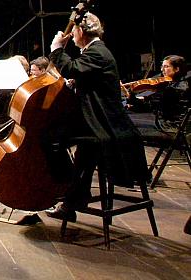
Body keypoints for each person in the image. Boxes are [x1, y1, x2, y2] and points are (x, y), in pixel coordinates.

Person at [44, 13, 150, 222]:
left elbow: (70, 68)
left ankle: (65, 188)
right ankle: (74, 196)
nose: (72, 35)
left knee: (50, 138)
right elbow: (87, 77)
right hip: (100, 121)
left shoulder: (97, 52)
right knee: (83, 151)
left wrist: (56, 49)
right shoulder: (95, 51)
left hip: (104, 124)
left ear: (81, 31)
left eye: (74, 31)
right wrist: (76, 84)